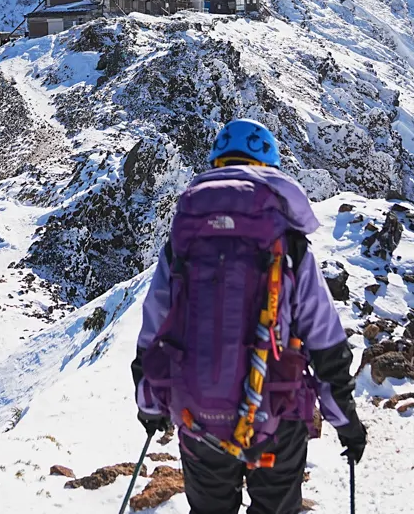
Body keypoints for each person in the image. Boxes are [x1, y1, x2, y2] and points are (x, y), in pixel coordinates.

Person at [132, 118, 366, 514]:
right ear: (269, 169)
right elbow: (325, 339)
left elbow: (154, 329)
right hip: (277, 412)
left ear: (217, 164)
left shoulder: (184, 240)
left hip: (195, 412)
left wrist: (150, 407)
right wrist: (345, 422)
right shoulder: (289, 243)